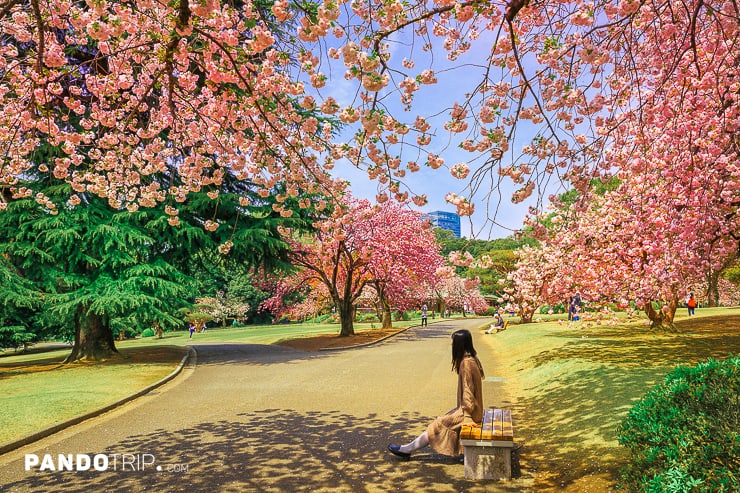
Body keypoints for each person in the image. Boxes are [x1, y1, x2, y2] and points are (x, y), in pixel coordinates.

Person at [387, 329, 484, 460]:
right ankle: (408, 448)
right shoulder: (472, 358)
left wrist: (467, 416)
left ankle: (407, 449)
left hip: (470, 412)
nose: (451, 345)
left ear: (459, 345)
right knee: (443, 419)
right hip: (472, 410)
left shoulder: (466, 363)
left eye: (453, 342)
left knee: (438, 424)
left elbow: (468, 391)